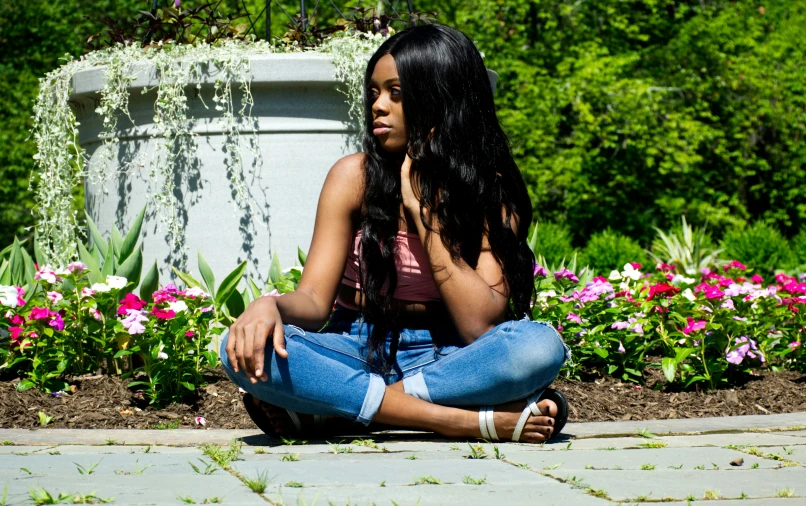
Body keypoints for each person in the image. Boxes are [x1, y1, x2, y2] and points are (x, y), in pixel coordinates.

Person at [219, 24, 571, 443]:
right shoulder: (352, 177)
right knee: (235, 346)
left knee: (538, 347)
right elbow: (314, 301)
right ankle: (461, 420)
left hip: (453, 358)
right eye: (374, 93)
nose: (378, 106)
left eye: (396, 93)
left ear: (441, 98)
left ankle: (347, 413)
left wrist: (423, 214)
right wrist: (269, 307)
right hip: (357, 348)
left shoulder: (491, 193)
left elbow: (480, 326)